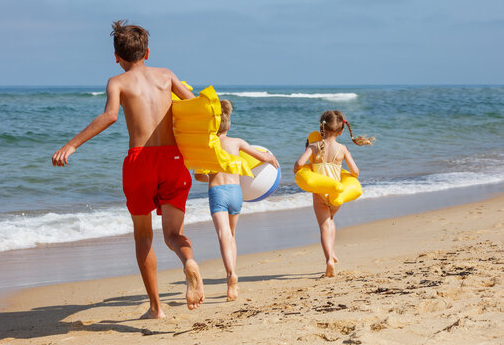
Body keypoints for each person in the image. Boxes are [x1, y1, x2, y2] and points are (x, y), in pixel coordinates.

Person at [52, 20, 204, 319]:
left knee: (143, 237)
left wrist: (72, 145)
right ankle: (188, 261)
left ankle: (156, 308)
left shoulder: (117, 82)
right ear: (147, 52)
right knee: (173, 234)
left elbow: (109, 116)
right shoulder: (166, 75)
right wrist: (206, 160)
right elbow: (197, 109)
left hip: (140, 160)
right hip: (173, 159)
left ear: (116, 56)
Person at [194, 100, 279, 301]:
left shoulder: (207, 146)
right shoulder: (237, 142)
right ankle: (233, 277)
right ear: (228, 125)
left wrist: (212, 176)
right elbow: (262, 156)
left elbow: (198, 176)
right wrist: (270, 158)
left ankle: (230, 273)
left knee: (223, 235)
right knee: (232, 234)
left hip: (217, 192)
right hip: (236, 192)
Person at [294, 110, 374, 277]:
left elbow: (299, 163)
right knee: (331, 220)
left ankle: (329, 259)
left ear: (322, 127)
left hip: (320, 193)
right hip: (337, 193)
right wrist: (344, 175)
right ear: (341, 131)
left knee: (324, 226)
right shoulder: (342, 149)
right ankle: (333, 252)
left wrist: (299, 172)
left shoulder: (314, 146)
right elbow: (356, 172)